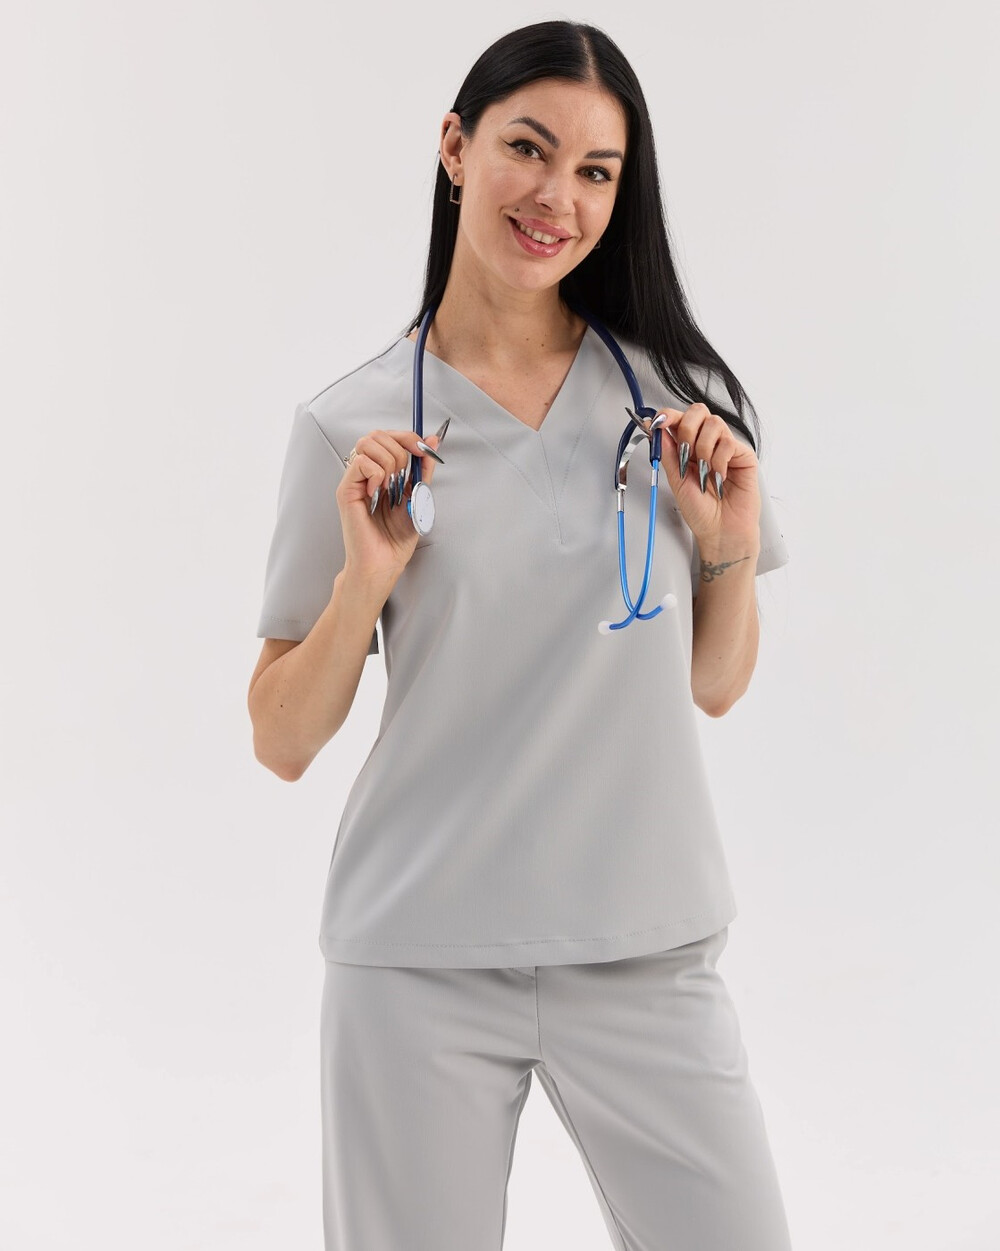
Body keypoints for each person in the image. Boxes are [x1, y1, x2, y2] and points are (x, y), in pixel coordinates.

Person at [247, 19, 793, 1251]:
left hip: (645, 948)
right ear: (455, 147)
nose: (557, 198)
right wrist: (363, 579)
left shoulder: (679, 408)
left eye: (595, 171)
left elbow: (714, 685)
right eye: (528, 150)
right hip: (418, 961)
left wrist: (726, 545)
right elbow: (280, 740)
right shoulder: (352, 430)